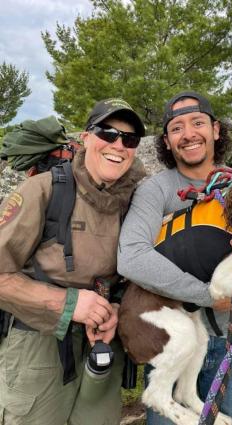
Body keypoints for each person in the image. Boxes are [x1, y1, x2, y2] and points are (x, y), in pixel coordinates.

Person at [117, 91, 232, 425]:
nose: (189, 134)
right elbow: (132, 258)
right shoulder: (156, 190)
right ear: (166, 142)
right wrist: (208, 295)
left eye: (197, 123)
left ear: (216, 130)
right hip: (173, 332)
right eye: (177, 128)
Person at [0, 98, 146, 425]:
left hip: (104, 342)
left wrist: (119, 310)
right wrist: (67, 302)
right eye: (107, 133)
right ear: (85, 138)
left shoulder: (138, 201)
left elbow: (143, 272)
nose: (118, 145)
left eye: (129, 139)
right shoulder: (43, 191)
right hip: (38, 346)